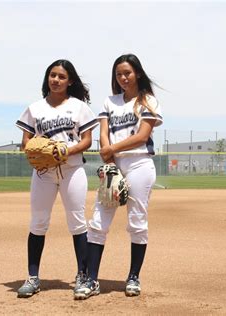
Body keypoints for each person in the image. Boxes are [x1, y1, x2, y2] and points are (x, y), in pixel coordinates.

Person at [74, 54, 163, 300]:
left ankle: (134, 276)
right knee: (99, 222)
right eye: (118, 74)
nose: (123, 77)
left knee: (137, 221)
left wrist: (111, 149)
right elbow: (104, 132)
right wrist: (109, 157)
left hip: (139, 164)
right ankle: (91, 280)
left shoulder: (148, 101)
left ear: (138, 74)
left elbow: (142, 136)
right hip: (114, 164)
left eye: (127, 73)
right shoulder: (109, 101)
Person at [15, 59, 99, 298]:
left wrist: (66, 150)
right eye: (52, 75)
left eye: (62, 76)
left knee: (77, 223)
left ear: (70, 81)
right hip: (43, 173)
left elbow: (86, 140)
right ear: (47, 78)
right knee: (38, 223)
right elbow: (26, 142)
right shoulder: (34, 108)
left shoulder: (79, 107)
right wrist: (36, 149)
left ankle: (82, 276)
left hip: (72, 170)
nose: (56, 80)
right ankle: (33, 278)